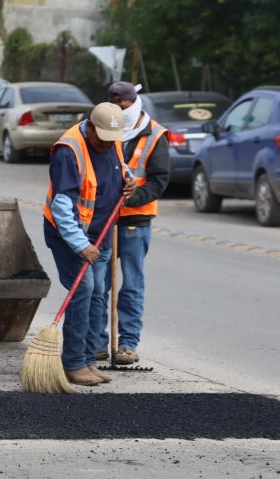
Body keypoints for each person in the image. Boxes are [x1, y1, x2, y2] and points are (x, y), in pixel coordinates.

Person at [43, 102, 136, 387]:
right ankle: (72, 363)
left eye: (113, 140)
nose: (107, 145)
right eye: (102, 139)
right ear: (91, 126)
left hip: (102, 233)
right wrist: (81, 245)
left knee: (98, 294)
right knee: (83, 290)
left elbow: (119, 169)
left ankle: (88, 360)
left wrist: (128, 180)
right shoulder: (68, 151)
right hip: (70, 236)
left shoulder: (113, 141)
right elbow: (62, 208)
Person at [97, 81, 170, 365]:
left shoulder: (155, 134)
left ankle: (127, 343)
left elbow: (160, 179)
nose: (122, 111)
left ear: (134, 102)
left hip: (135, 219)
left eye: (125, 106)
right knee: (98, 284)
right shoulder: (104, 126)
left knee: (132, 282)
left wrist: (133, 196)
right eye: (116, 106)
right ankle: (99, 342)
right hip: (103, 217)